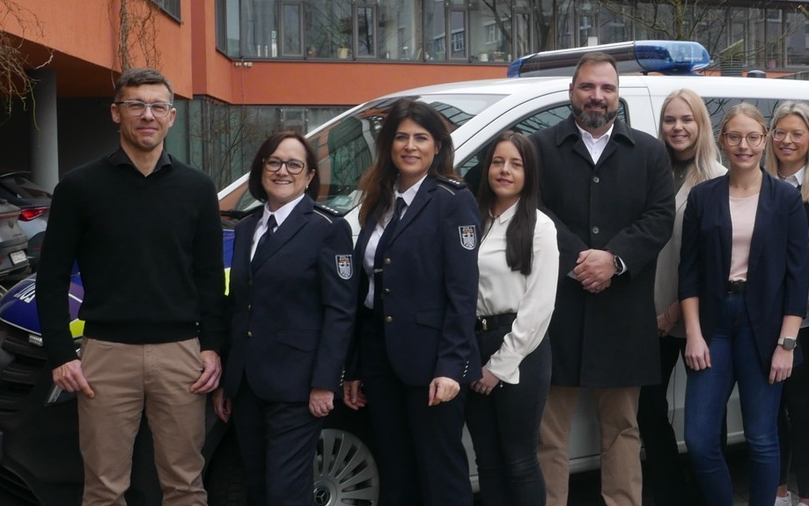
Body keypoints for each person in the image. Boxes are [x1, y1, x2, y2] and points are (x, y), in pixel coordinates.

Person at [35, 68, 226, 506]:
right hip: (105, 356)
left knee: (185, 486)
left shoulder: (197, 189)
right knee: (103, 489)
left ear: (172, 117)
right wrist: (61, 354)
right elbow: (52, 277)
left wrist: (213, 345)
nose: (147, 115)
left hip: (182, 356)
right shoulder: (79, 187)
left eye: (157, 106)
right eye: (136, 105)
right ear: (115, 113)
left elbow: (210, 277)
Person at [532, 52, 675, 506]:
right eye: (588, 87)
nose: (597, 96)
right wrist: (582, 258)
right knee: (548, 434)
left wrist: (613, 260)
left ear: (618, 96)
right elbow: (532, 211)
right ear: (571, 92)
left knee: (623, 430)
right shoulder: (538, 149)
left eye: (607, 88)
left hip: (623, 312)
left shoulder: (650, 152)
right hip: (557, 312)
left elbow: (660, 218)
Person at [342, 98, 481, 506]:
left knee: (440, 474)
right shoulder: (378, 199)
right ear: (388, 145)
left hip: (432, 362)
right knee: (396, 472)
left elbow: (462, 291)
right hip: (381, 358)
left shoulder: (453, 200)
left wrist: (452, 366)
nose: (410, 146)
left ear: (437, 146)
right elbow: (366, 292)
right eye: (401, 137)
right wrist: (355, 366)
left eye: (421, 137)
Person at [212, 131, 356, 506]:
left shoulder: (327, 229)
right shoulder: (245, 229)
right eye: (273, 162)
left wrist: (326, 382)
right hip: (247, 387)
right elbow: (239, 307)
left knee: (285, 493)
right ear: (260, 170)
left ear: (309, 176)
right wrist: (228, 382)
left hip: (298, 387)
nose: (282, 171)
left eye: (294, 164)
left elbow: (340, 312)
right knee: (258, 488)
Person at [680, 103, 809, 506]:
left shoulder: (786, 198)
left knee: (762, 437)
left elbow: (797, 276)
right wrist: (694, 335)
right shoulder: (703, 197)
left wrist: (787, 344)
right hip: (714, 324)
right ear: (721, 140)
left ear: (765, 139)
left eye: (753, 137)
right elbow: (689, 273)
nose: (744, 145)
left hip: (766, 327)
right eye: (734, 136)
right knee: (700, 439)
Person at [640, 89, 727, 506]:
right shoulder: (649, 173)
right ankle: (673, 493)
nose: (678, 127)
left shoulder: (716, 178)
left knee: (707, 420)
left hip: (698, 317)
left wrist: (676, 309)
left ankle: (711, 493)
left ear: (701, 125)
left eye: (686, 119)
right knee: (648, 412)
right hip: (649, 316)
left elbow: (719, 261)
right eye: (670, 120)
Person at [466, 131, 560, 506]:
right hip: (474, 343)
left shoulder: (540, 226)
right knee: (486, 462)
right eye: (498, 162)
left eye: (515, 164)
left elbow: (539, 306)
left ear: (529, 173)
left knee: (519, 460)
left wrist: (499, 366)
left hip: (520, 349)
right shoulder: (472, 220)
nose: (504, 170)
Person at [765, 101, 809, 506]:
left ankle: (808, 497)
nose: (787, 140)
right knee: (771, 412)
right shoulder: (755, 183)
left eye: (797, 133)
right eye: (780, 132)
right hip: (763, 317)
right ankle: (777, 493)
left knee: (802, 410)